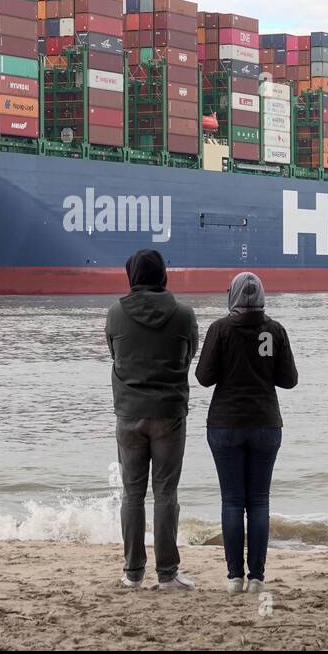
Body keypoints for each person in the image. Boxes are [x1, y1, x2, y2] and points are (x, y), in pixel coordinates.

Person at [195, 272, 297, 594]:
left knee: (232, 502)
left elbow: (203, 377)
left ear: (232, 297)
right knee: (259, 502)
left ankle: (234, 577)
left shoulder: (220, 329)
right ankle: (257, 578)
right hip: (266, 423)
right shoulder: (275, 330)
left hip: (225, 424)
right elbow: (289, 379)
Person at [105, 249, 199, 591]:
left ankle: (132, 574)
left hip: (128, 413)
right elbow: (190, 354)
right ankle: (168, 574)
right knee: (165, 494)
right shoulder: (184, 314)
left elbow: (115, 354)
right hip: (169, 415)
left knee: (131, 495)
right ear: (163, 274)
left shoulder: (115, 313)